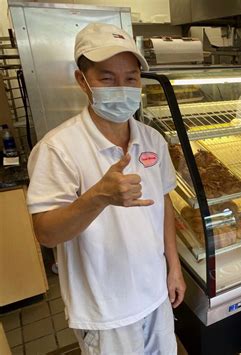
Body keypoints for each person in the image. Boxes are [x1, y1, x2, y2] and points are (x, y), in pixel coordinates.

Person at [27, 23, 186, 354]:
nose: (122, 87)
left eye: (130, 78)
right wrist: (98, 196)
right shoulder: (58, 148)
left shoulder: (152, 139)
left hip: (155, 295)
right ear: (82, 81)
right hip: (105, 311)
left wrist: (173, 267)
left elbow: (164, 204)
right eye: (107, 78)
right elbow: (45, 233)